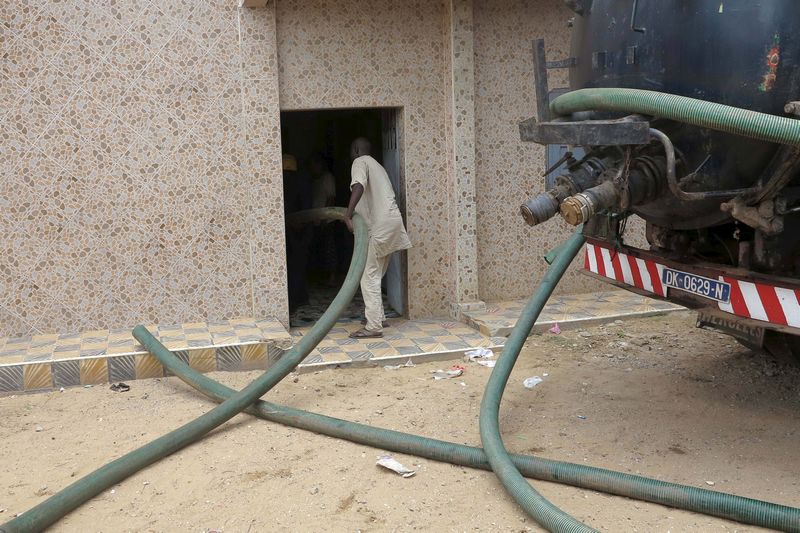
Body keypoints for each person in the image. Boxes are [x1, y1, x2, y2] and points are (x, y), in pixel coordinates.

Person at [344, 138, 411, 339]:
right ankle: (378, 317)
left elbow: (359, 186)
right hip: (393, 223)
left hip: (379, 226)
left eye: (350, 149)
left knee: (368, 276)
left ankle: (373, 327)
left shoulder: (360, 162)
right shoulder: (378, 166)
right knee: (377, 271)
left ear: (356, 149)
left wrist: (347, 214)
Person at [283, 153, 313, 312]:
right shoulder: (301, 181)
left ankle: (296, 298)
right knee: (298, 263)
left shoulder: (287, 182)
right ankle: (299, 297)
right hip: (300, 227)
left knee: (294, 263)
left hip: (295, 228)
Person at [309, 154, 338, 286]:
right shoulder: (314, 179)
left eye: (315, 164)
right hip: (315, 220)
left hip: (326, 220)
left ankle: (332, 277)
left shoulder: (327, 178)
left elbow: (331, 197)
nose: (312, 167)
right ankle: (321, 276)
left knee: (329, 248)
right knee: (318, 249)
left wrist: (325, 217)